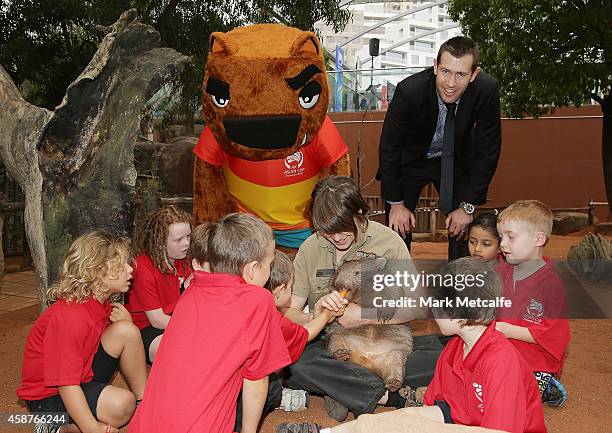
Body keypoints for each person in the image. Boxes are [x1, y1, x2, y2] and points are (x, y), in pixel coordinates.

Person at [278, 258, 547, 433]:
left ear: (462, 315)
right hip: (455, 419)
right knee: (391, 421)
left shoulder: (501, 360)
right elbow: (433, 409)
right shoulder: (454, 348)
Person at [283, 175, 439, 421]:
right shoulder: (309, 248)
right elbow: (290, 313)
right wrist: (318, 315)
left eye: (343, 227)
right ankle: (386, 395)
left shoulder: (388, 242)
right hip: (336, 346)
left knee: (446, 354)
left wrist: (365, 316)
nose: (336, 238)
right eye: (326, 230)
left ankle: (342, 387)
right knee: (292, 361)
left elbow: (419, 307)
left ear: (359, 211)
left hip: (387, 343)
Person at [128, 213, 293, 433]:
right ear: (252, 269)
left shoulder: (192, 289)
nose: (270, 271)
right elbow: (256, 381)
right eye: (270, 264)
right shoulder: (258, 300)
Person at [378, 36, 501, 260]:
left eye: (461, 74)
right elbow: (389, 148)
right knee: (398, 228)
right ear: (435, 66)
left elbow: (488, 150)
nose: (451, 83)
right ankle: (397, 286)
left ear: (474, 74)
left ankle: (458, 286)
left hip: (456, 161)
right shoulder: (409, 91)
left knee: (462, 229)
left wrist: (468, 207)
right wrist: (396, 204)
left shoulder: (487, 90)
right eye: (445, 71)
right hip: (412, 160)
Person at [17, 231, 147, 433]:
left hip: (81, 376)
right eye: (121, 264)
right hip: (48, 398)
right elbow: (66, 385)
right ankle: (55, 427)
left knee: (126, 331)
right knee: (121, 405)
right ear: (97, 271)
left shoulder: (98, 302)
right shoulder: (70, 316)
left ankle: (145, 406)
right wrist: (92, 429)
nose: (130, 270)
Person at [234, 250, 346, 430]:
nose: (292, 292)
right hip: (235, 397)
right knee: (273, 385)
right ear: (278, 291)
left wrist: (314, 316)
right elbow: (304, 335)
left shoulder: (241, 300)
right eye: (291, 288)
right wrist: (326, 315)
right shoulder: (267, 316)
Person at [495, 200, 570, 406]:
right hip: (502, 353)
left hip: (536, 361)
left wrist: (506, 329)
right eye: (501, 236)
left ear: (538, 239)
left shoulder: (551, 285)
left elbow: (553, 334)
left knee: (510, 402)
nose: (502, 244)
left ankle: (546, 385)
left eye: (511, 237)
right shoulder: (502, 270)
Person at [125, 205, 192, 364]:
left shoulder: (185, 261)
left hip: (178, 321)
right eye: (178, 240)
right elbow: (157, 320)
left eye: (188, 236)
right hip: (148, 328)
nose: (186, 244)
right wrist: (197, 327)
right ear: (159, 240)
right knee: (177, 353)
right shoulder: (142, 266)